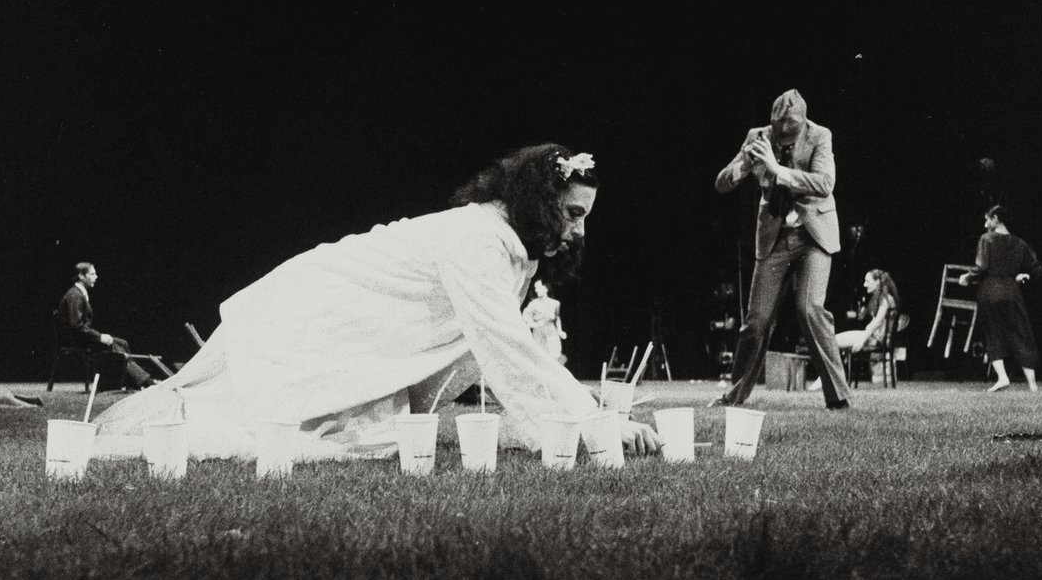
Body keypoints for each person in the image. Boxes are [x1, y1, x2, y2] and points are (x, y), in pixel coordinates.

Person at [93, 144, 661, 461]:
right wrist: (594, 423)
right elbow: (504, 347)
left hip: (352, 313)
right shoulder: (477, 239)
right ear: (541, 200)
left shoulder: (512, 248)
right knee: (261, 418)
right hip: (323, 304)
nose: (581, 231)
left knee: (370, 435)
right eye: (574, 213)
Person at [714, 89, 851, 410]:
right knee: (757, 321)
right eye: (779, 136)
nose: (784, 142)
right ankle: (734, 396)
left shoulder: (820, 136)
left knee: (809, 310)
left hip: (813, 234)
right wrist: (746, 163)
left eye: (790, 138)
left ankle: (838, 398)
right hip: (775, 237)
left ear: (802, 125)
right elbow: (722, 183)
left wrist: (778, 170)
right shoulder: (757, 137)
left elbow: (825, 183)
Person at [958, 205, 1042, 392]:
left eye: (987, 219)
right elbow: (1038, 268)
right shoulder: (1020, 243)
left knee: (993, 333)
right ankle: (1032, 384)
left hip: (990, 291)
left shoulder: (987, 239)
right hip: (1012, 291)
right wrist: (1024, 275)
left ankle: (1003, 377)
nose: (985, 223)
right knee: (1021, 334)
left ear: (996, 218)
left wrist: (966, 276)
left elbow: (982, 266)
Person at [55, 263, 153, 391]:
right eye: (92, 274)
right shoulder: (75, 295)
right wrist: (99, 337)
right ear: (81, 276)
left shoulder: (79, 293)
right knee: (112, 345)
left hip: (81, 337)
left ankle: (133, 382)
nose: (96, 277)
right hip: (75, 340)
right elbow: (76, 325)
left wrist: (98, 336)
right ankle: (145, 381)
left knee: (122, 343)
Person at [808, 268, 901, 391]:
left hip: (874, 339)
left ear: (878, 282)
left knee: (831, 342)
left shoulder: (886, 299)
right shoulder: (880, 298)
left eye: (868, 281)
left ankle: (826, 378)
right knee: (831, 341)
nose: (864, 284)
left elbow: (876, 323)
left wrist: (862, 340)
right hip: (872, 337)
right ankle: (830, 378)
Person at [522, 279, 566, 362]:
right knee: (540, 358)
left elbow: (557, 318)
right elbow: (526, 317)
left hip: (551, 332)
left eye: (539, 287)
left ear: (546, 288)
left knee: (554, 357)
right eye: (535, 288)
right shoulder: (533, 304)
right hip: (538, 333)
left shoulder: (555, 303)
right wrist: (533, 324)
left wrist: (560, 331)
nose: (536, 290)